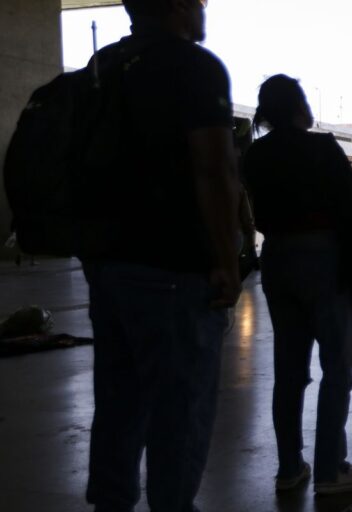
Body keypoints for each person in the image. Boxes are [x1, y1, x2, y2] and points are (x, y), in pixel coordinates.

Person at [81, 0, 240, 510]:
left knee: (118, 406)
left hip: (108, 265)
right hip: (174, 268)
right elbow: (214, 169)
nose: (203, 9)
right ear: (177, 6)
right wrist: (227, 260)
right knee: (180, 412)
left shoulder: (105, 65)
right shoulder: (194, 65)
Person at [243, 75, 352, 495]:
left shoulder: (255, 154)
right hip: (324, 257)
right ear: (300, 106)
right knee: (336, 367)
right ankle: (330, 469)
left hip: (277, 258)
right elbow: (350, 209)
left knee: (289, 370)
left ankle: (289, 468)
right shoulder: (321, 147)